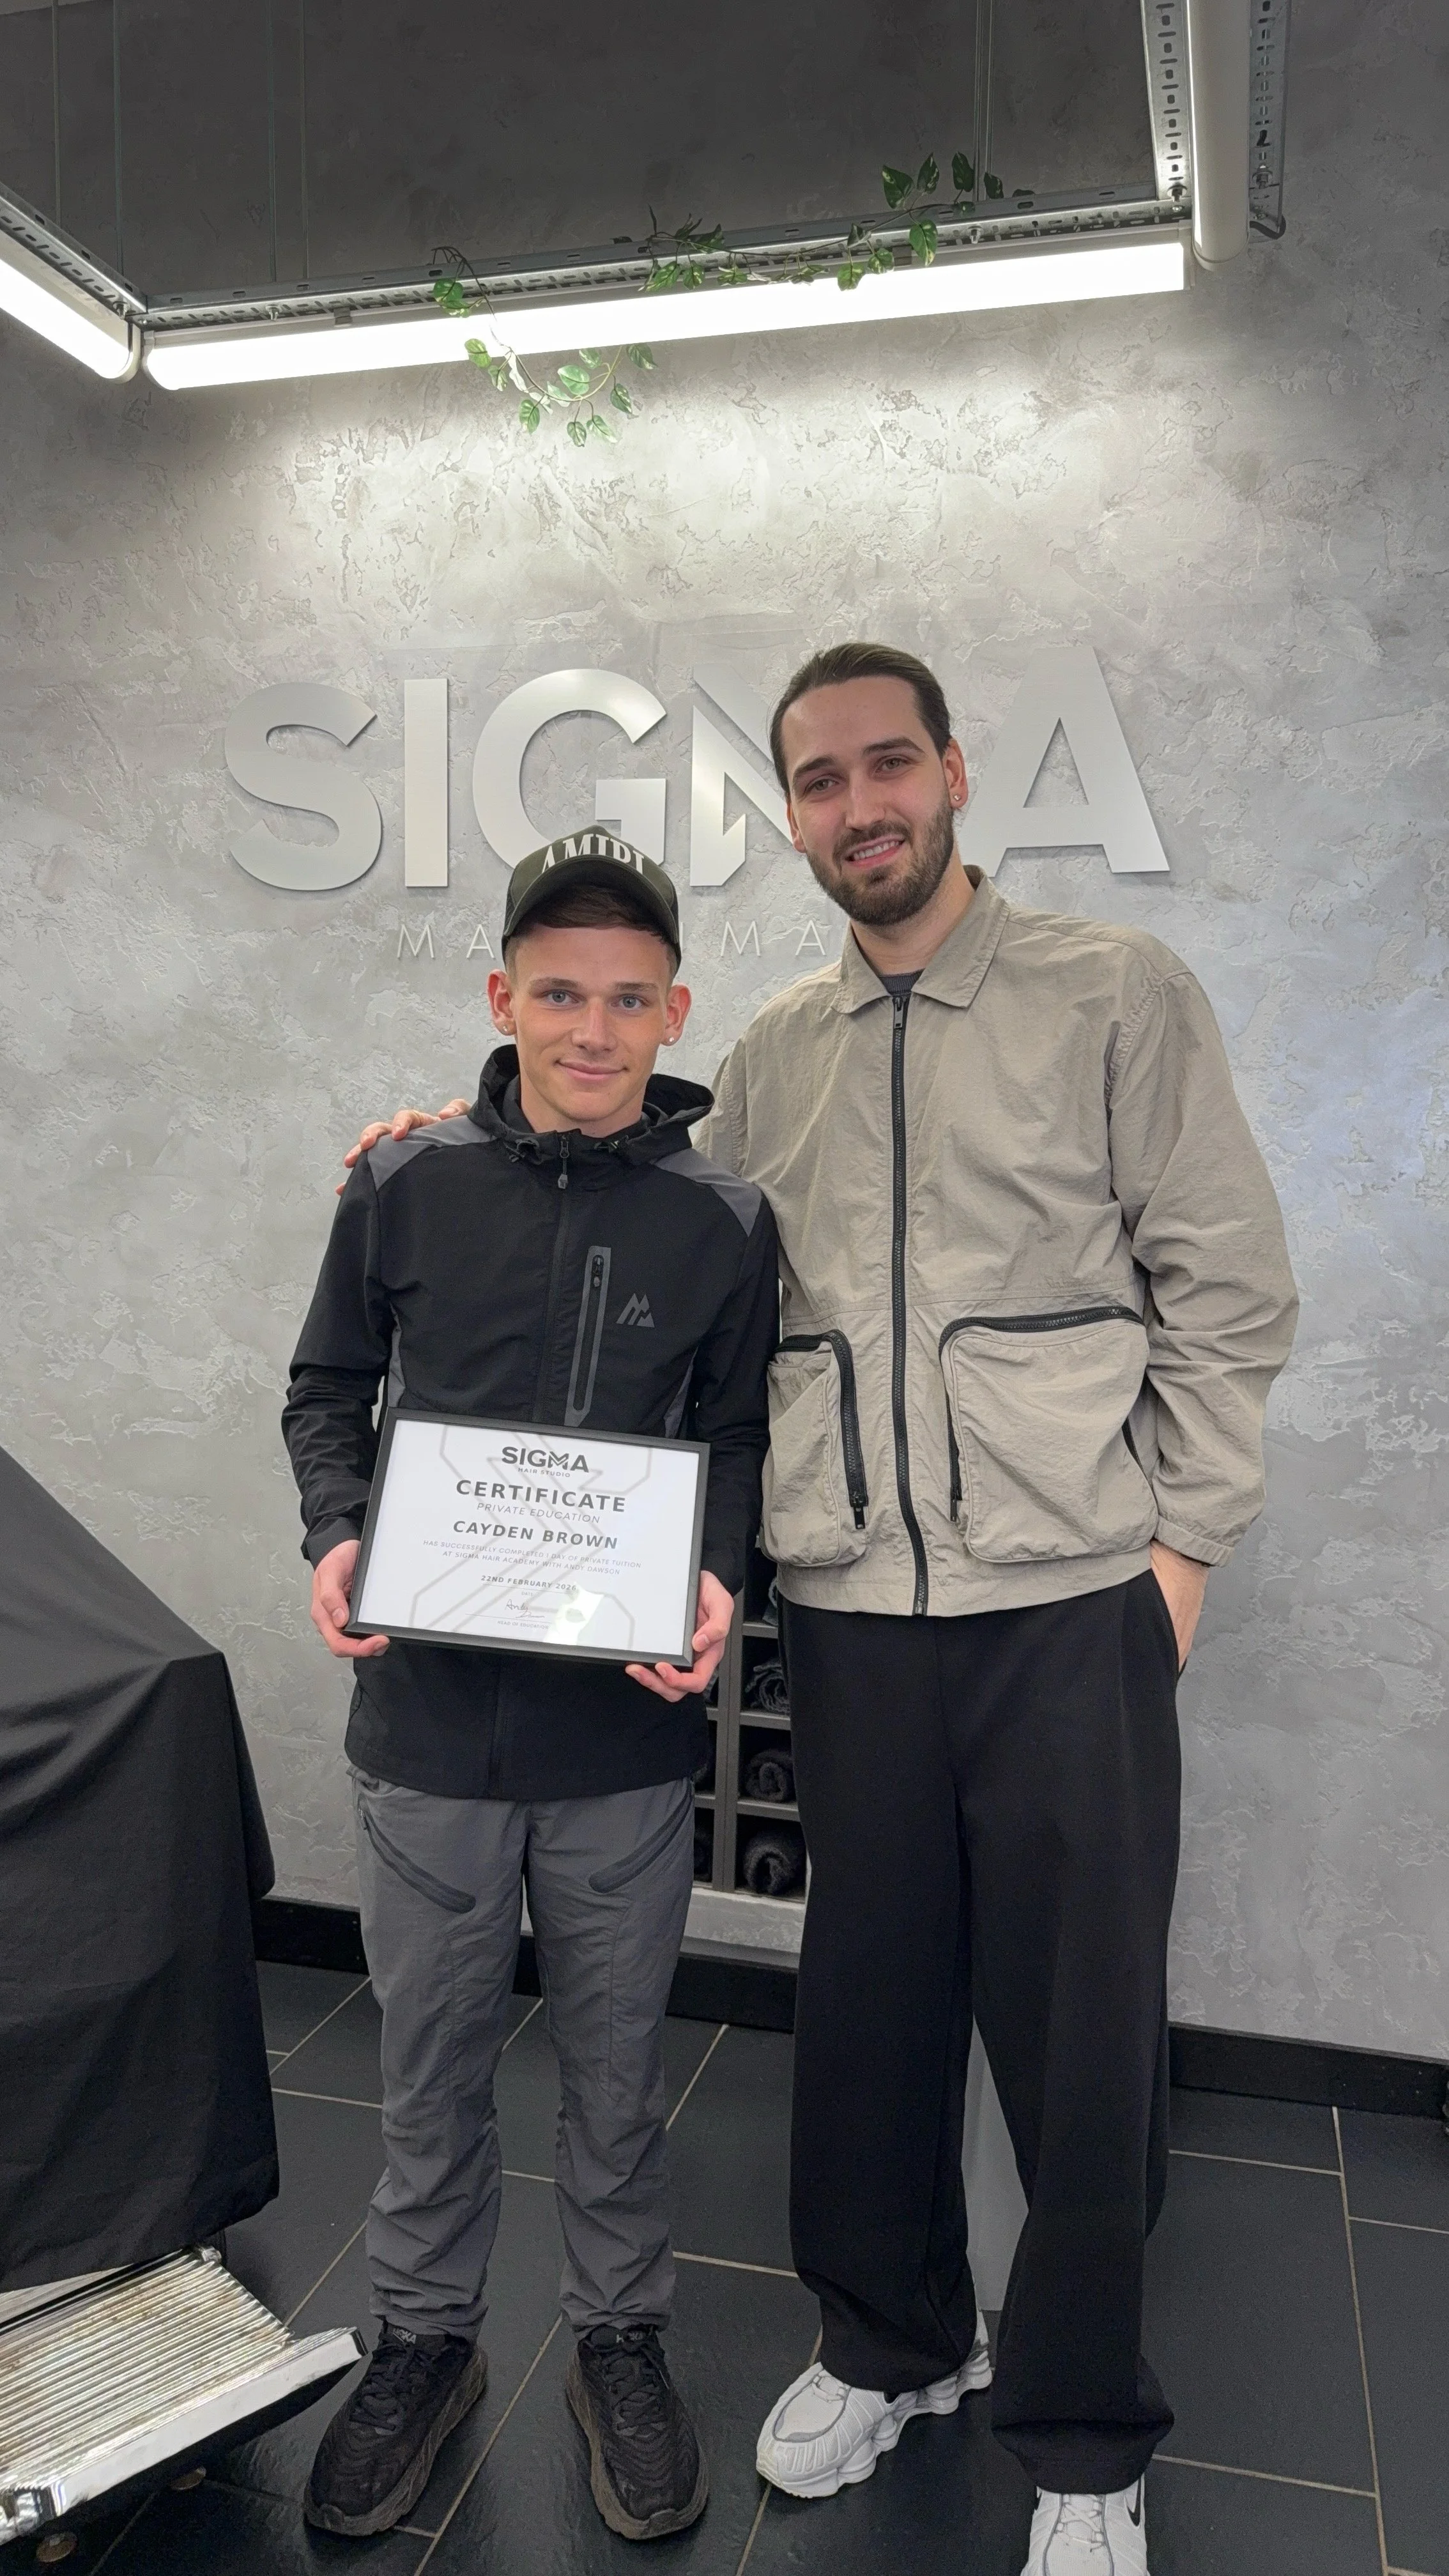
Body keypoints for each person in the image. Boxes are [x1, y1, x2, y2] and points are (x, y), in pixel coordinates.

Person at [341, 643, 1298, 2576]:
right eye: (818, 780)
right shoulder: (767, 1053)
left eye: (886, 766)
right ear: (792, 816)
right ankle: (892, 2343)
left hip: (1065, 1603)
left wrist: (1176, 1557)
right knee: (863, 2008)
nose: (858, 805)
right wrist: (423, 1136)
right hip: (849, 1608)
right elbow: (617, 1171)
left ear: (949, 775)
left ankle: (1086, 2437)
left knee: (1075, 2034)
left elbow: (1226, 1292)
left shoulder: (1112, 996)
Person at [282, 832, 778, 2543]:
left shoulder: (723, 1218)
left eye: (624, 1000)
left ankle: (616, 2336)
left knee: (617, 2070)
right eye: (557, 993)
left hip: (617, 1738)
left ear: (671, 1011)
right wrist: (338, 1532)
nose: (590, 1028)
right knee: (424, 2064)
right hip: (423, 1722)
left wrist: (716, 1573)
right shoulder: (400, 1184)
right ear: (503, 997)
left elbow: (731, 1442)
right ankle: (422, 2342)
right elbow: (326, 1386)